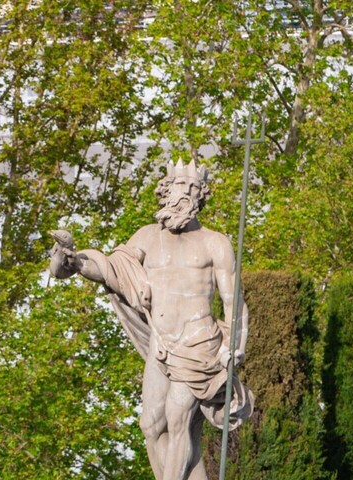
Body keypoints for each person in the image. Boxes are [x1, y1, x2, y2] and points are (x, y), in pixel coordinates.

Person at [48, 162, 251, 480]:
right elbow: (113, 270)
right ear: (164, 194)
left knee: (177, 416)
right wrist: (73, 261)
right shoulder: (146, 238)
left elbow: (233, 301)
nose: (179, 199)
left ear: (199, 198)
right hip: (161, 343)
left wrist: (233, 348)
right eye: (173, 193)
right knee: (152, 426)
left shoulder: (215, 242)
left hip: (198, 344)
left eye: (187, 193)